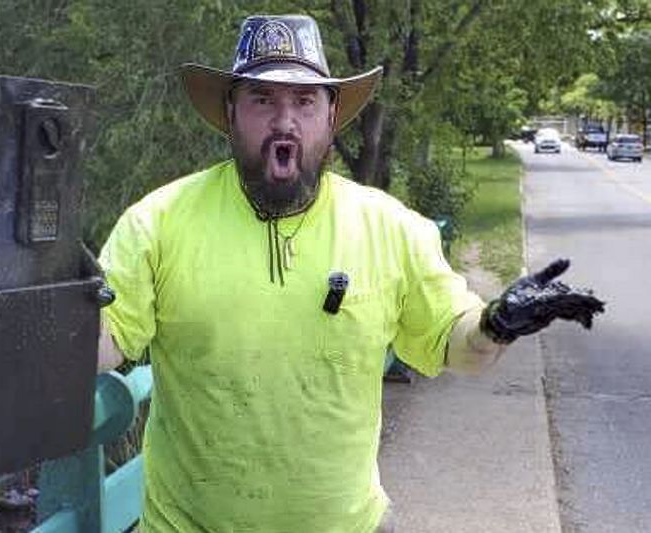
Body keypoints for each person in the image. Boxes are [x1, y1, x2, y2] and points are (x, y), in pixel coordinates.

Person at [97, 14, 604, 533]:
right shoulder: (156, 223)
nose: (284, 121)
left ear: (332, 114)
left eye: (304, 101)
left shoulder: (391, 228)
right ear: (231, 113)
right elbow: (100, 342)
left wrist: (496, 325)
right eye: (262, 100)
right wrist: (39, 278)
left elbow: (456, 344)